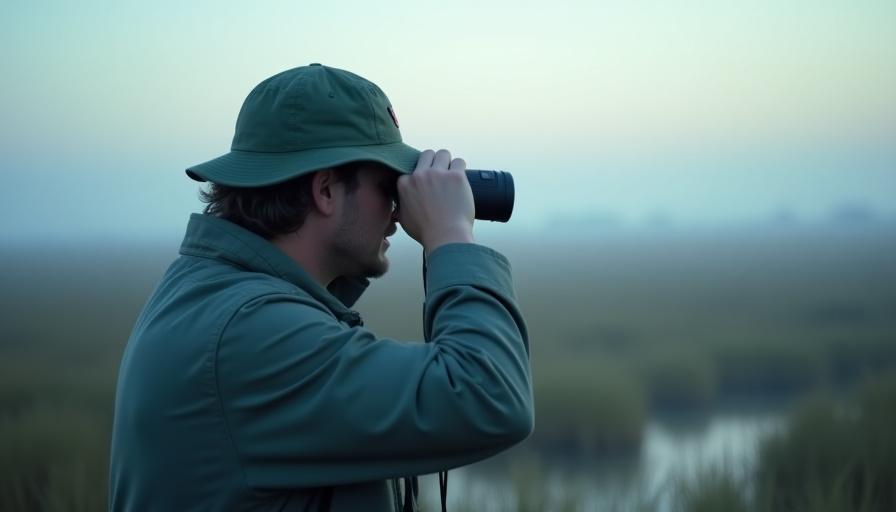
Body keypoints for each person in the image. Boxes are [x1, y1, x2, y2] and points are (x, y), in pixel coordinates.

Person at [109, 63, 533, 511]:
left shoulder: (214, 294)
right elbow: (489, 395)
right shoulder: (250, 331)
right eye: (388, 184)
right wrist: (451, 235)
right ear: (326, 190)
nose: (397, 210)